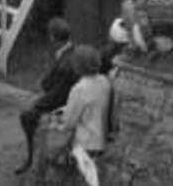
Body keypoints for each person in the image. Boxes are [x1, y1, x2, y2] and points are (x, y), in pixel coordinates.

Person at [16, 17, 76, 174]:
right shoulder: (70, 51)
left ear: (53, 38)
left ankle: (31, 158)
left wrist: (37, 104)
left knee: (26, 116)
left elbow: (57, 96)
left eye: (50, 35)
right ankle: (33, 155)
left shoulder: (64, 63)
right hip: (61, 95)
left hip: (62, 103)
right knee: (31, 109)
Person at [52, 45, 111, 186]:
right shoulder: (104, 81)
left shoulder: (79, 89)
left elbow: (69, 122)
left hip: (85, 142)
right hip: (102, 138)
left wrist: (57, 122)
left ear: (78, 66)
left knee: (82, 180)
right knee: (92, 179)